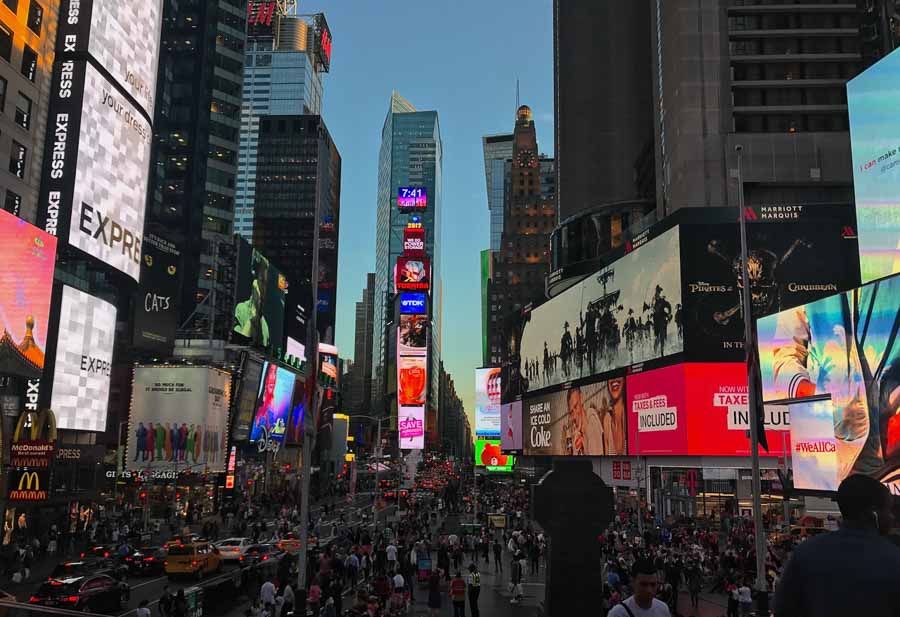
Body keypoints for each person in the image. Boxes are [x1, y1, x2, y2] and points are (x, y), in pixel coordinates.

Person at [773, 474, 900, 616]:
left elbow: (784, 609)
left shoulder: (806, 553)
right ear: (873, 513)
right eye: (889, 510)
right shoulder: (893, 558)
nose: (892, 517)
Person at [607, 559, 672, 617]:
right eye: (643, 584)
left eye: (653, 584)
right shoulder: (617, 614)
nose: (649, 590)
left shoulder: (663, 608)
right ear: (632, 582)